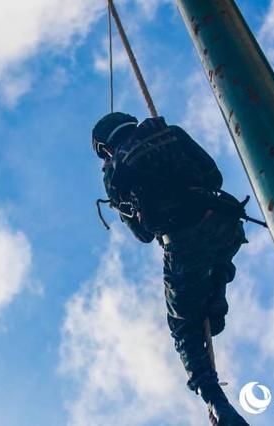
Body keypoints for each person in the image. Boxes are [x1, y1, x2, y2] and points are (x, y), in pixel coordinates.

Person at [92, 112, 250, 425]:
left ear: (105, 148)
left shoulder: (113, 170)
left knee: (184, 327)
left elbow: (143, 234)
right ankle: (215, 294)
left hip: (183, 239)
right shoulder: (171, 133)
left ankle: (215, 400)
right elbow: (214, 176)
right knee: (218, 259)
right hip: (224, 220)